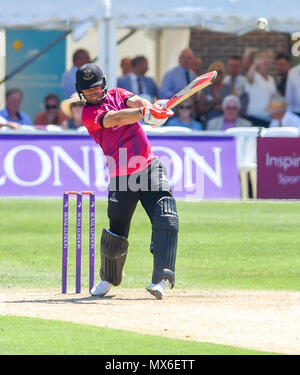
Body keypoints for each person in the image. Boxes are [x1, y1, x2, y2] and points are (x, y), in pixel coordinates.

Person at [75, 63, 178, 300]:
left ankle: (161, 279)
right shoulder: (88, 115)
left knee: (166, 216)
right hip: (121, 176)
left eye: (97, 87)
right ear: (81, 92)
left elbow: (137, 103)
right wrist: (144, 114)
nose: (94, 93)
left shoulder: (118, 94)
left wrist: (152, 109)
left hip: (149, 166)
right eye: (88, 90)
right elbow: (115, 119)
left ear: (104, 84)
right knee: (117, 231)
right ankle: (108, 278)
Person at [244, 49, 277, 127]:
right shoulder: (253, 75)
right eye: (264, 57)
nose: (267, 60)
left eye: (269, 58)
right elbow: (249, 76)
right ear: (256, 60)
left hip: (269, 120)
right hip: (255, 119)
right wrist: (255, 64)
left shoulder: (271, 79)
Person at [197, 61, 232, 127]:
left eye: (219, 72)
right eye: (213, 72)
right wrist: (211, 103)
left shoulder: (229, 89)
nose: (216, 75)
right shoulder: (205, 89)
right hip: (208, 123)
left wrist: (222, 108)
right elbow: (199, 111)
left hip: (225, 124)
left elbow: (235, 109)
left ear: (223, 74)